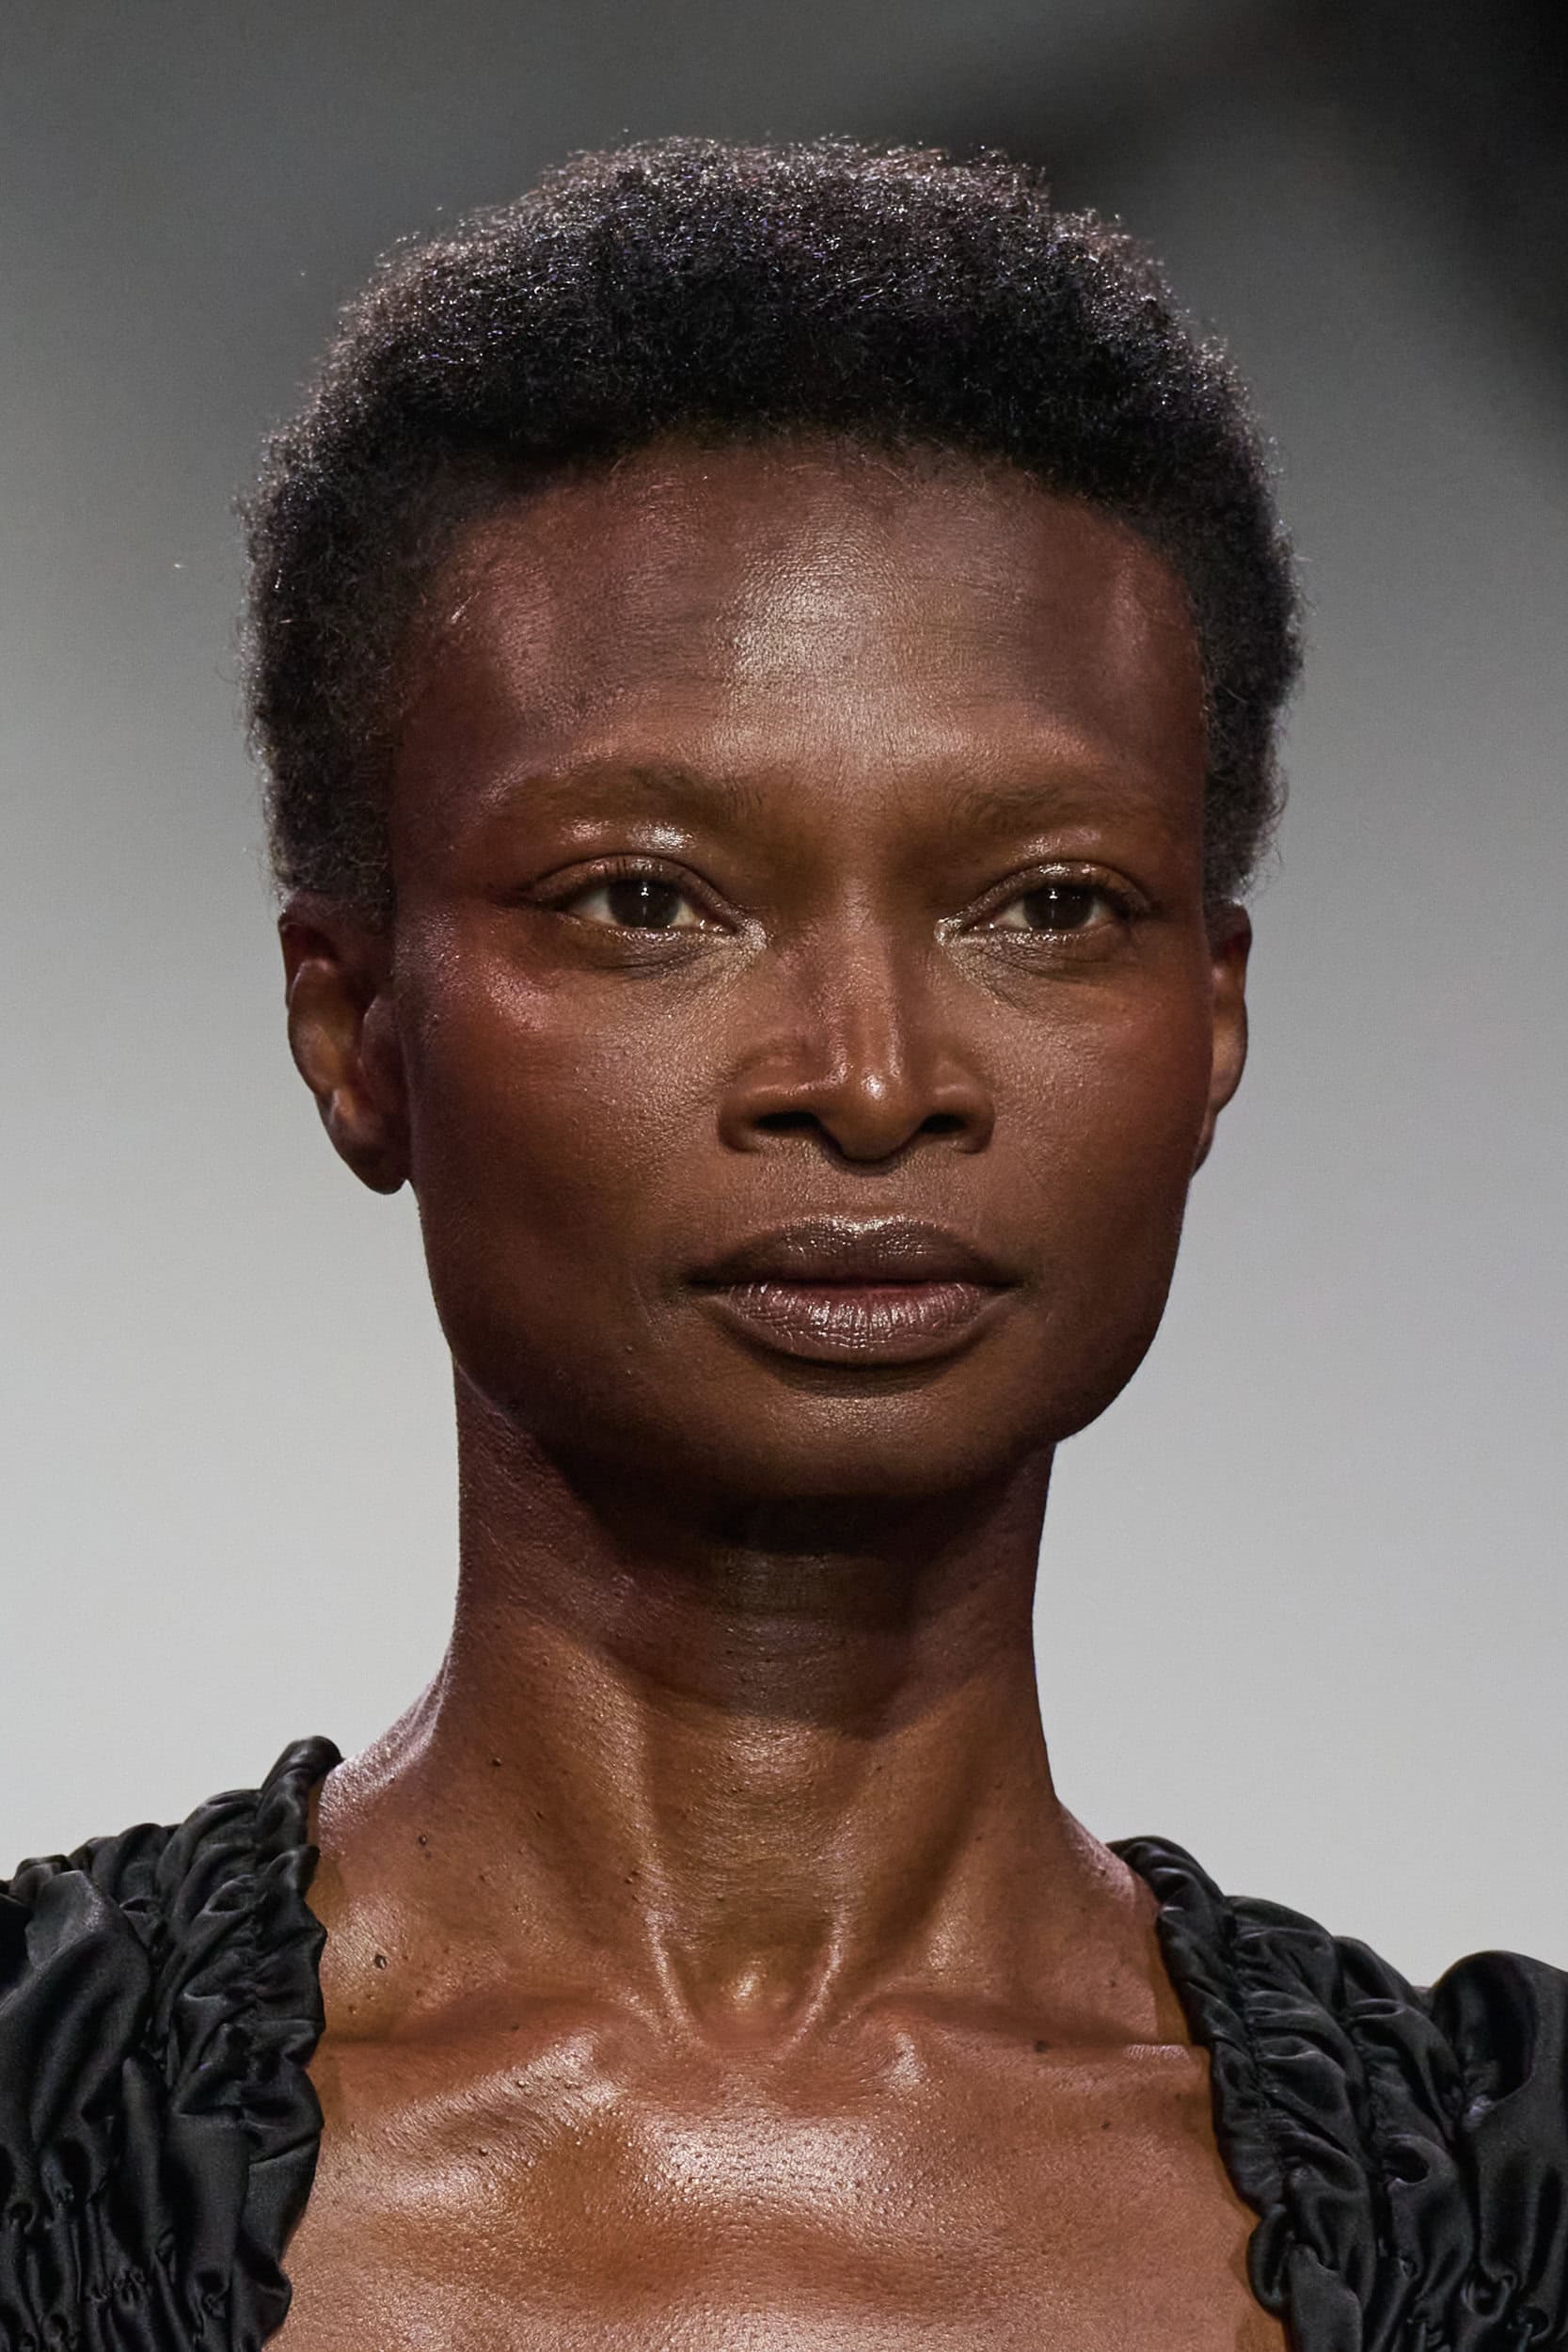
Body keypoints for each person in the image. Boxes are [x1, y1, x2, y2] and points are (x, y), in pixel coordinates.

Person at [2, 136, 1561, 2352]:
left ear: (1212, 1023)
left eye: (1049, 904)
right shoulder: (38, 2137)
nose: (871, 1074)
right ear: (354, 1026)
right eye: (650, 898)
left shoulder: (1509, 2210)